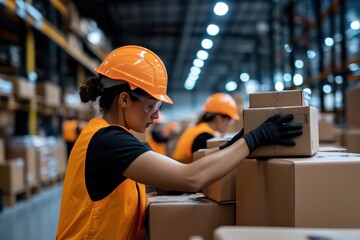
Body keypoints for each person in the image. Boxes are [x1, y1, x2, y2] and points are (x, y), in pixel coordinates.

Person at [56, 45, 303, 240]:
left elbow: (167, 180)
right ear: (123, 100)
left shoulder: (109, 138)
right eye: (151, 106)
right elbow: (190, 177)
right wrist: (254, 139)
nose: (156, 116)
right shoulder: (109, 141)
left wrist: (235, 144)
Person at [172, 93, 240, 164]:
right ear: (219, 118)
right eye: (230, 120)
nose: (229, 124)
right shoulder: (204, 137)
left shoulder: (198, 129)